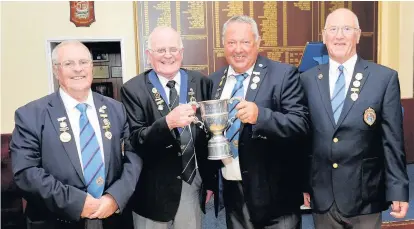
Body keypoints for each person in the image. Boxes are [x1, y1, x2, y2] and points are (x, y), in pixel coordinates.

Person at [10, 40, 143, 229]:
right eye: (68, 64)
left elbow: (133, 157)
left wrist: (115, 197)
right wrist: (77, 203)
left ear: (91, 67)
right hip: (57, 220)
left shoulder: (116, 109)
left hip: (113, 218)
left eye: (83, 62)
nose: (77, 69)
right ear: (56, 71)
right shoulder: (30, 114)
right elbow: (25, 172)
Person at [301, 8, 410, 228]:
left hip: (365, 196)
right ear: (324, 36)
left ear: (358, 35)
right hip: (323, 196)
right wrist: (303, 184)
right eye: (333, 29)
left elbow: (392, 141)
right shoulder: (307, 80)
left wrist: (398, 189)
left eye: (347, 29)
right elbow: (304, 139)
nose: (339, 35)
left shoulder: (384, 78)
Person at [209, 15, 310, 229]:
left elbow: (300, 124)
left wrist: (261, 116)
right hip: (233, 193)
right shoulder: (213, 81)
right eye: (231, 42)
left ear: (258, 42)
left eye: (245, 42)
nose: (238, 49)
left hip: (276, 199)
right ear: (223, 46)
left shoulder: (283, 75)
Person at [120, 26, 216, 229]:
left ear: (181, 53)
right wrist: (168, 123)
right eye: (161, 50)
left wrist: (210, 181)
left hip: (192, 183)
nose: (168, 55)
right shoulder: (132, 89)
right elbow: (135, 140)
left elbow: (209, 135)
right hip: (151, 190)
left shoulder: (201, 82)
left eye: (173, 49)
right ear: (149, 55)